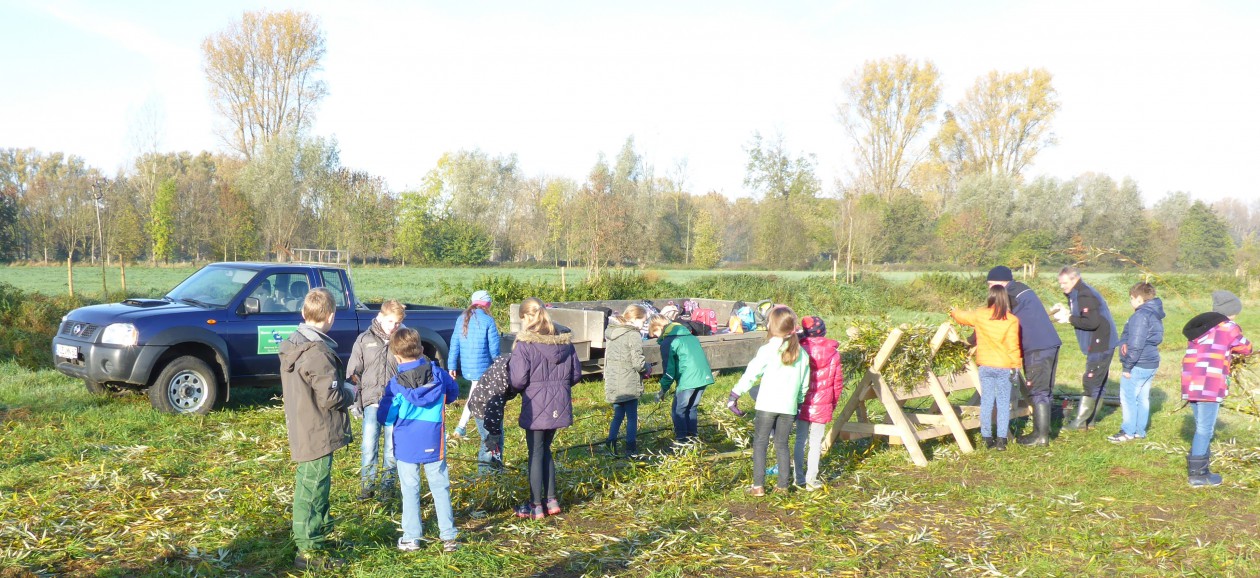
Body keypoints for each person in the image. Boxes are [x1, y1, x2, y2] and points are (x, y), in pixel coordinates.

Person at [278, 288, 354, 571]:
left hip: (303, 425)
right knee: (313, 490)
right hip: (317, 430)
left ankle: (315, 537)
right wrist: (350, 393)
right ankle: (308, 551)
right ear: (331, 316)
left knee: (311, 486)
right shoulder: (317, 352)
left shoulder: (294, 343)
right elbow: (331, 397)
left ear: (303, 313)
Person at [378, 327, 460, 553]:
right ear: (422, 349)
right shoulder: (439, 374)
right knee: (440, 486)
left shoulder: (395, 384)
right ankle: (449, 537)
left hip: (406, 444)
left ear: (396, 356)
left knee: (410, 489)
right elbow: (452, 394)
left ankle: (412, 537)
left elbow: (385, 417)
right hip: (434, 438)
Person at [508, 297, 582, 519]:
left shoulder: (525, 344)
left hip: (535, 405)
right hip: (559, 404)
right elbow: (576, 375)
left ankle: (535, 505)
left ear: (527, 317)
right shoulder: (564, 341)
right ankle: (551, 500)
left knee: (536, 453)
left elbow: (518, 380)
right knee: (546, 450)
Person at [728, 306, 809, 495]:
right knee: (782, 444)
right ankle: (782, 487)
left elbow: (751, 374)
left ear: (771, 327)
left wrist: (734, 395)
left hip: (767, 404)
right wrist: (798, 403)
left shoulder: (768, 349)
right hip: (788, 407)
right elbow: (804, 384)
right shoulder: (802, 353)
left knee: (760, 443)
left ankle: (758, 486)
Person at [1180, 290, 1252, 487]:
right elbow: (1246, 347)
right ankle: (1198, 475)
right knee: (1205, 429)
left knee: (1200, 426)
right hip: (1209, 383)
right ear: (1232, 311)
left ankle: (1200, 468)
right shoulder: (1228, 327)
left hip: (1191, 381)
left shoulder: (1202, 327)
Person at [985, 265, 1062, 446]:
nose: (990, 288)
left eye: (991, 284)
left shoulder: (1009, 295)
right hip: (1050, 343)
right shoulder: (1022, 288)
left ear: (1002, 282)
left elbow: (998, 321)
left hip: (1036, 347)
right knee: (1045, 390)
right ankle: (1044, 430)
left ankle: (1040, 436)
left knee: (1038, 391)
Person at [951, 285, 1023, 450]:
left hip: (985, 366)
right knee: (1004, 403)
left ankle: (986, 437)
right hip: (1004, 366)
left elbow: (962, 317)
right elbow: (1013, 346)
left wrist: (954, 312)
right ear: (1005, 299)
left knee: (987, 401)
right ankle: (1001, 441)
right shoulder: (1012, 320)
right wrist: (1016, 366)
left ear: (990, 297)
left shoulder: (980, 315)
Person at [347, 299, 405, 500]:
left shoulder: (402, 341)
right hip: (371, 401)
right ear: (381, 317)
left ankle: (388, 487)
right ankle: (367, 486)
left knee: (392, 447)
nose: (393, 327)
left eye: (397, 323)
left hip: (394, 402)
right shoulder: (364, 340)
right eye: (390, 322)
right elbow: (354, 372)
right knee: (369, 445)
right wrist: (355, 400)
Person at [1051, 266, 1118, 431]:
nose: (1062, 286)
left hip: (1100, 343)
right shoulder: (1075, 294)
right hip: (1101, 342)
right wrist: (1067, 310)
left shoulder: (1084, 294)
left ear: (1074, 279)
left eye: (1064, 283)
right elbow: (1081, 313)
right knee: (1098, 381)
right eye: (1060, 283)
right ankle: (1090, 421)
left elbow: (1091, 322)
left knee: (1091, 381)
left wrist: (1069, 319)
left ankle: (1080, 422)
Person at [448, 290, 503, 474]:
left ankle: (461, 427)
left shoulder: (461, 319)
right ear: (487, 305)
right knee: (475, 399)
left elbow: (454, 343)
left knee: (473, 395)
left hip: (467, 368)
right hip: (483, 370)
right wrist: (500, 366)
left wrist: (451, 365)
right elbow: (494, 350)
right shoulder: (488, 321)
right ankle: (461, 428)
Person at [648, 314, 716, 444]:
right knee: (691, 407)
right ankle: (693, 437)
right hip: (703, 376)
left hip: (689, 378)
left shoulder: (669, 342)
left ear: (659, 327)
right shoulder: (690, 336)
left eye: (655, 333)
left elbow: (669, 370)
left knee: (678, 409)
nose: (656, 337)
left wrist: (663, 390)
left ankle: (682, 440)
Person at [1110, 282, 1164, 443]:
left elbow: (1136, 344)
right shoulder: (1154, 313)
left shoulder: (1140, 316)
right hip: (1151, 361)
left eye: (1131, 298)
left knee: (1128, 398)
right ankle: (1139, 431)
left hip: (1138, 363)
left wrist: (1127, 367)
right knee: (1142, 398)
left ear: (1139, 299)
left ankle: (1128, 431)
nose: (1130, 302)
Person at [794, 315, 842, 491]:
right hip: (822, 403)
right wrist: (832, 403)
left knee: (800, 439)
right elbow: (837, 383)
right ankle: (811, 480)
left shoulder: (798, 349)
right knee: (815, 442)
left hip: (801, 402)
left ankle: (797, 477)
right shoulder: (833, 353)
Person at [603, 305, 650, 457]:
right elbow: (638, 363)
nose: (643, 326)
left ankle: (611, 444)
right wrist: (646, 367)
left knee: (618, 415)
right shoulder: (633, 335)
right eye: (643, 322)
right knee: (631, 417)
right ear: (635, 319)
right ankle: (630, 448)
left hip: (613, 380)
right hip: (628, 381)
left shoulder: (612, 332)